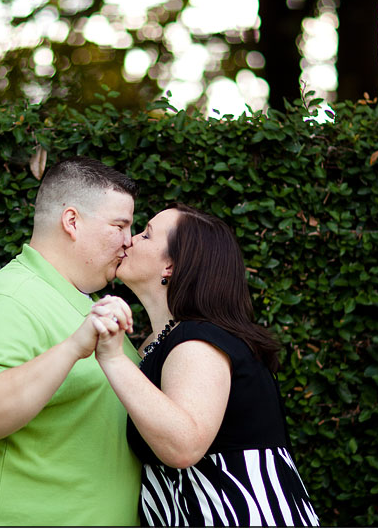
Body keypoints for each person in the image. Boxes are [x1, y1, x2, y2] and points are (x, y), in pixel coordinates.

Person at [0, 157, 143, 526]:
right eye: (119, 226)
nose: (129, 241)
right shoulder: (8, 299)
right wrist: (73, 348)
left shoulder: (82, 300)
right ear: (72, 221)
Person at [88, 203, 320, 527]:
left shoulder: (197, 342)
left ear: (170, 266)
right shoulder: (163, 343)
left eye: (146, 235)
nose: (130, 240)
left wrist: (112, 358)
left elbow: (183, 446)